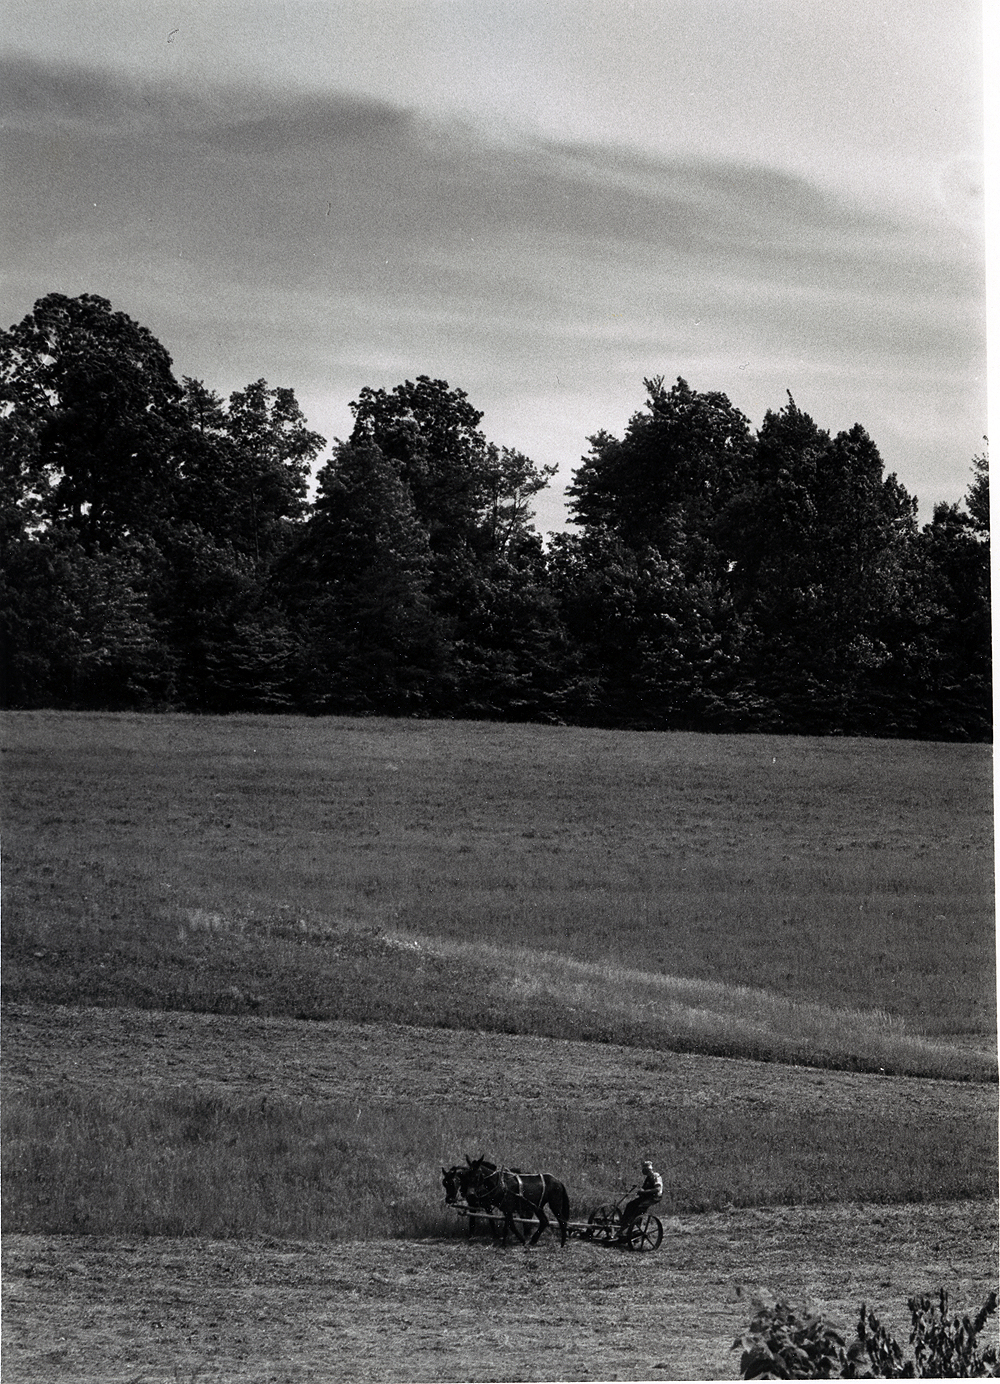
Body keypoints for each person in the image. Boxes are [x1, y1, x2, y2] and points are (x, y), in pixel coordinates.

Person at [618, 1160, 663, 1239]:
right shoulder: (648, 1178)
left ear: (647, 1169)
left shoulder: (656, 1176)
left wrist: (644, 1191)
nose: (643, 1171)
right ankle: (624, 1224)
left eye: (644, 1169)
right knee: (630, 1205)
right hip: (647, 1196)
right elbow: (644, 1188)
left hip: (655, 1197)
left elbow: (657, 1189)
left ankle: (636, 1228)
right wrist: (640, 1191)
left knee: (640, 1207)